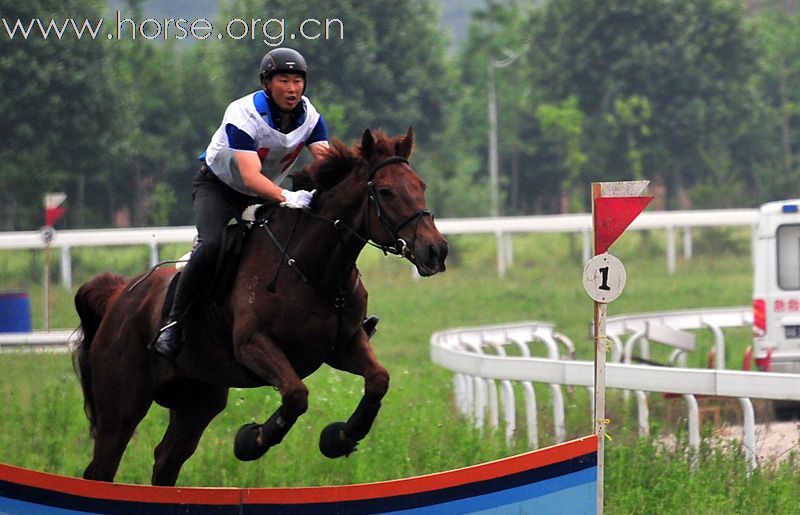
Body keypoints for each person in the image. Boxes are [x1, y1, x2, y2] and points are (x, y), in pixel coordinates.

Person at [150, 47, 378, 360]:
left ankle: (351, 318)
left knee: (320, 235)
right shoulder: (243, 114)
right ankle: (173, 322)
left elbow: (326, 164)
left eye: (298, 81)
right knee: (213, 244)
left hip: (263, 192)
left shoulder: (311, 118)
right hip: (219, 189)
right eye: (283, 80)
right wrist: (288, 196)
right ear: (267, 84)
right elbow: (248, 176)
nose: (292, 88)